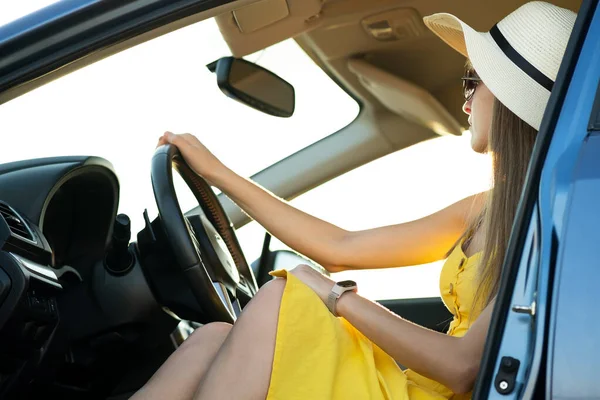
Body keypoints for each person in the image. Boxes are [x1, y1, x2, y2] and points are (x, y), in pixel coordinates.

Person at [131, 2, 576, 399]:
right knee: (212, 336)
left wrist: (334, 296)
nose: (465, 103)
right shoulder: (485, 208)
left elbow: (463, 369)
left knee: (279, 298)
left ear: (510, 98)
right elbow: (340, 247)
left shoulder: (557, 224)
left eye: (470, 83)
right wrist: (218, 174)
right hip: (414, 387)